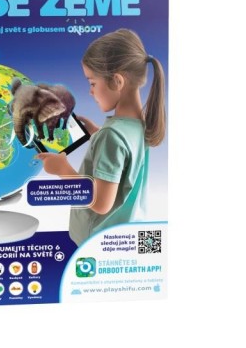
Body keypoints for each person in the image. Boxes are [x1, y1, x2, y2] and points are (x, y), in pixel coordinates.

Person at [36, 29, 166, 245]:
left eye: (92, 83)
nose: (90, 91)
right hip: (126, 236)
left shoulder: (112, 136)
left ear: (117, 81)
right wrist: (97, 134)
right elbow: (125, 161)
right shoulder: (139, 125)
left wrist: (63, 169)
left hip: (97, 243)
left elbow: (100, 203)